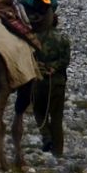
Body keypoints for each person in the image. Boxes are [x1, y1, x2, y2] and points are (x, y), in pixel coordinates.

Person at [32, 12, 71, 156]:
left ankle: (46, 136)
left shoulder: (35, 38)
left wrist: (42, 67)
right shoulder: (63, 39)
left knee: (38, 111)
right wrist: (54, 67)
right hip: (58, 83)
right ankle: (58, 151)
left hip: (40, 81)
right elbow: (65, 60)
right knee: (56, 117)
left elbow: (31, 58)